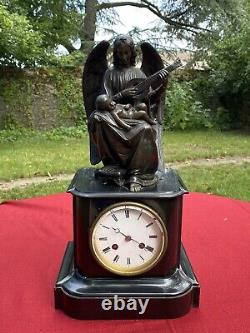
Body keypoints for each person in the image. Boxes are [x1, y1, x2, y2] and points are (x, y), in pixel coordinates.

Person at [88, 35, 159, 191]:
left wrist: (151, 91)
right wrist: (122, 95)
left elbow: (149, 99)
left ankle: (136, 174)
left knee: (146, 129)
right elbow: (104, 101)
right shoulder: (109, 74)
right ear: (115, 54)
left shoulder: (139, 73)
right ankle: (113, 165)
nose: (123, 56)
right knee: (97, 118)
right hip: (114, 113)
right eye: (120, 53)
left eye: (126, 52)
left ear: (132, 53)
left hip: (133, 114)